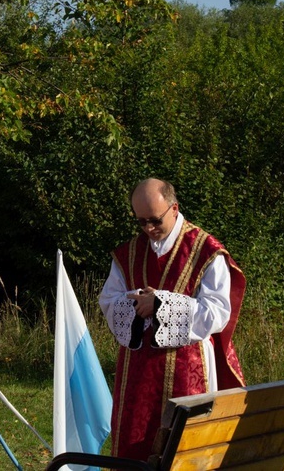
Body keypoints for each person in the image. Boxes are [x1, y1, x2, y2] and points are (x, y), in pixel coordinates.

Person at [99, 178, 246, 460]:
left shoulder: (205, 250)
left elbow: (216, 312)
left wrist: (163, 304)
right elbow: (108, 300)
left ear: (174, 208)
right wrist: (137, 302)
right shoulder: (128, 252)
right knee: (134, 449)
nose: (149, 229)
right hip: (137, 373)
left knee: (185, 453)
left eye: (154, 220)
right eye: (141, 222)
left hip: (188, 370)